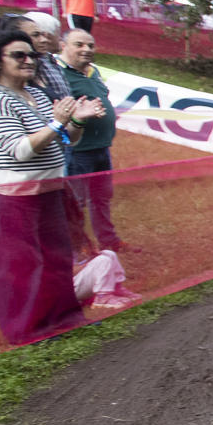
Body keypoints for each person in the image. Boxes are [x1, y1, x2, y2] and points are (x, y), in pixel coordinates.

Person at [0, 19, 104, 343]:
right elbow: (20, 149)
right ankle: (27, 330)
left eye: (31, 55)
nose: (29, 60)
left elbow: (63, 139)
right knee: (21, 264)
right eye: (19, 55)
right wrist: (59, 123)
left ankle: (65, 320)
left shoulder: (36, 95)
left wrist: (76, 122)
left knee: (56, 256)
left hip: (49, 189)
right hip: (13, 195)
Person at [57, 26, 126, 258]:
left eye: (90, 45)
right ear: (63, 46)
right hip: (77, 150)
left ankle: (109, 241)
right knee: (75, 204)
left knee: (102, 198)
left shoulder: (93, 72)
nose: (86, 49)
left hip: (102, 148)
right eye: (79, 45)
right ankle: (78, 250)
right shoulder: (58, 75)